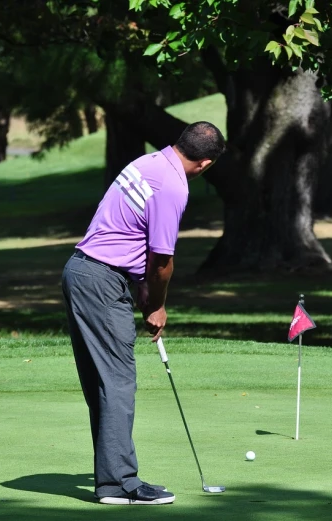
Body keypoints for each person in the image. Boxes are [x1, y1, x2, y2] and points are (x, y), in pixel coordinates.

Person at [61, 121, 226, 505]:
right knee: (117, 382)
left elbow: (131, 235)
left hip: (82, 271)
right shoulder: (172, 186)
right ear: (205, 164)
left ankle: (110, 481)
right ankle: (121, 484)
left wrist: (139, 287)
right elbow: (163, 260)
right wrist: (156, 305)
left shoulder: (148, 162)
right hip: (102, 280)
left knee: (103, 383)